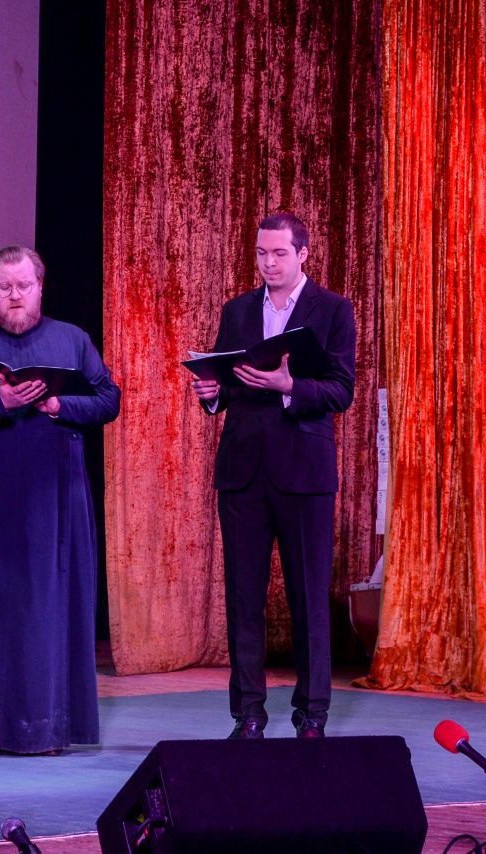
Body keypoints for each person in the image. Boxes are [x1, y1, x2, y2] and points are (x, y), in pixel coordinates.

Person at [0, 245, 121, 756]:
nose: (14, 296)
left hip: (54, 493)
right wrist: (0, 402)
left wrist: (57, 403)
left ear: (40, 287)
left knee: (44, 608)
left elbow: (109, 399)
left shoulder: (72, 339)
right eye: (4, 287)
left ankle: (47, 729)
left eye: (23, 286)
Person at [191, 212, 356, 739]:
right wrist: (212, 394)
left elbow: (341, 390)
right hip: (243, 473)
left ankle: (312, 715)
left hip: (304, 473)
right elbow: (227, 381)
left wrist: (290, 386)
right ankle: (249, 715)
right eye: (262, 253)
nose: (268, 263)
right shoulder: (237, 310)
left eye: (279, 253)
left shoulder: (333, 310)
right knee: (244, 597)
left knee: (308, 598)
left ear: (302, 254)